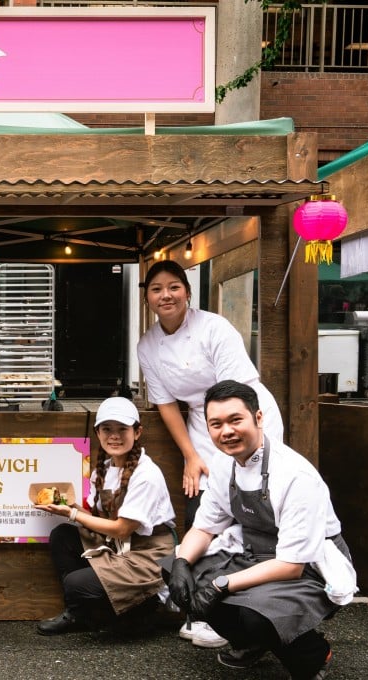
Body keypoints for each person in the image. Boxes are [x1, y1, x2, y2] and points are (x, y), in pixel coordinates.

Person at [136, 259, 284, 648]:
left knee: (255, 501)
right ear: (147, 297)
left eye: (173, 287)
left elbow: (235, 390)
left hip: (243, 415)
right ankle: (199, 608)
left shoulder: (214, 327)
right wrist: (190, 455)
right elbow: (167, 404)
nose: (165, 295)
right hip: (202, 426)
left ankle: (260, 600)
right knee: (202, 503)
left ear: (186, 291)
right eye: (156, 289)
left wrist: (232, 433)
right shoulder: (148, 344)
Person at [165, 380, 348, 680]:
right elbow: (205, 526)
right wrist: (181, 563)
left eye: (236, 420)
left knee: (254, 615)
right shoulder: (224, 464)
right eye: (216, 424)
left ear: (258, 418)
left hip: (310, 566)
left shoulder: (295, 476)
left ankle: (313, 655)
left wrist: (220, 583)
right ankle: (252, 643)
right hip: (255, 553)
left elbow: (291, 566)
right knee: (177, 572)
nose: (227, 431)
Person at [35, 397, 176, 636]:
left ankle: (146, 607)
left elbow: (122, 529)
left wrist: (72, 513)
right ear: (98, 433)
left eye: (123, 429)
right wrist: (71, 506)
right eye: (107, 429)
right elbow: (100, 519)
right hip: (118, 546)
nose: (114, 436)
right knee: (63, 535)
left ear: (137, 431)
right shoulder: (105, 468)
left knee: (76, 584)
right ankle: (79, 614)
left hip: (147, 556)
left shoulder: (147, 474)